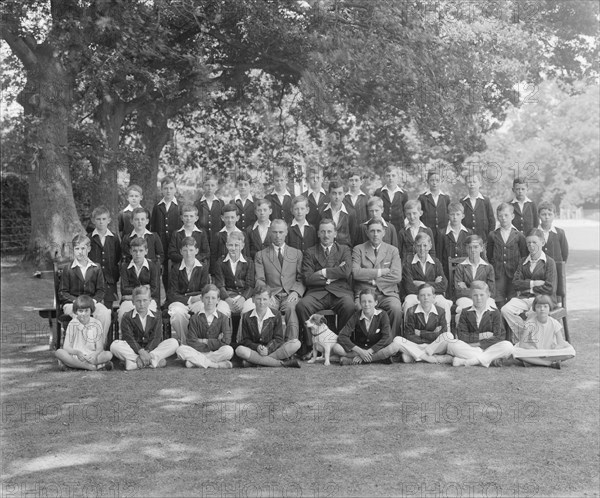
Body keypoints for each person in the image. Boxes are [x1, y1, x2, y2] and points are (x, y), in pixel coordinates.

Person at [295, 219, 356, 359]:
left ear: (335, 234)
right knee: (302, 306)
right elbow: (308, 278)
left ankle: (340, 345)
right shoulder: (310, 252)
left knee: (349, 305)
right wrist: (336, 272)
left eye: (329, 232)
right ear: (318, 234)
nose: (326, 235)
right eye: (323, 231)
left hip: (340, 291)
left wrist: (322, 273)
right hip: (317, 293)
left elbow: (346, 272)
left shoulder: (344, 249)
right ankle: (311, 346)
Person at [501, 229, 557, 342]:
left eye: (534, 242)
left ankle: (531, 341)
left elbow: (549, 288)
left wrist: (526, 285)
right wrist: (534, 283)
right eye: (528, 243)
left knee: (532, 314)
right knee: (505, 309)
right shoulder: (523, 262)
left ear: (542, 242)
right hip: (523, 298)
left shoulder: (549, 262)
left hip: (542, 299)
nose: (531, 245)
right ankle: (527, 338)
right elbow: (516, 283)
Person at [254, 219, 305, 340]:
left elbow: (301, 277)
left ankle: (292, 344)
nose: (278, 236)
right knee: (265, 307)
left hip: (290, 294)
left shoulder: (296, 253)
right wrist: (266, 294)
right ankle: (267, 344)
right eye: (275, 232)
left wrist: (296, 292)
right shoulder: (261, 255)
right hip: (271, 294)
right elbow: (260, 279)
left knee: (291, 308)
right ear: (270, 232)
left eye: (281, 232)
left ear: (286, 232)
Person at [352, 218, 403, 335]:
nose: (375, 234)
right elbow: (356, 273)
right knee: (360, 307)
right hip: (365, 292)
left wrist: (373, 280)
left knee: (395, 308)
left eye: (378, 231)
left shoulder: (393, 250)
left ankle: (392, 342)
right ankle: (365, 343)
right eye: (372, 231)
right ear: (367, 232)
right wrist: (380, 272)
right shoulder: (358, 249)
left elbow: (396, 276)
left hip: (387, 293)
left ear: (384, 232)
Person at [58, 234, 112, 342]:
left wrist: (93, 301)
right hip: (72, 303)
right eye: (77, 249)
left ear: (89, 249)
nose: (80, 252)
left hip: (92, 302)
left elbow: (101, 290)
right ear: (73, 250)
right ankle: (80, 346)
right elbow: (63, 292)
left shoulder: (96, 268)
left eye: (83, 248)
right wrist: (77, 302)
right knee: (80, 314)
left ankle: (99, 344)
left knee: (105, 313)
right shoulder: (68, 269)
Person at [110, 285, 178, 370]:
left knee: (173, 342)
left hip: (152, 349)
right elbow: (129, 338)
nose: (142, 304)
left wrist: (147, 351)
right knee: (114, 345)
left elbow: (156, 337)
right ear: (133, 302)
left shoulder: (156, 316)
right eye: (138, 301)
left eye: (145, 300)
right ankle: (152, 361)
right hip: (134, 349)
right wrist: (140, 351)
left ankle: (136, 363)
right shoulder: (127, 316)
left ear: (150, 301)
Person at [447, 281, 514, 367]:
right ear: (471, 296)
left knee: (508, 346)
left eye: (482, 295)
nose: (479, 298)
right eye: (475, 295)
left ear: (488, 296)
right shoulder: (465, 312)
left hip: (488, 347)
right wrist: (483, 335)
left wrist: (479, 344)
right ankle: (489, 359)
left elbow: (499, 336)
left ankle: (470, 361)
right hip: (471, 348)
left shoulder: (495, 312)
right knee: (452, 345)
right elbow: (462, 336)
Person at [235, 284, 301, 367]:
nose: (261, 302)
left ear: (270, 300)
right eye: (258, 299)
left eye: (265, 299)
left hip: (272, 350)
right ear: (253, 300)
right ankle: (280, 363)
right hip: (254, 351)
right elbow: (245, 340)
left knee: (296, 343)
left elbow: (278, 339)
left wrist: (268, 349)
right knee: (240, 350)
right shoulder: (246, 316)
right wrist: (257, 347)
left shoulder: (276, 314)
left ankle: (254, 362)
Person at [332, 288, 400, 365]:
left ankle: (352, 360)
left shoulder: (382, 315)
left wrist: (369, 351)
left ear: (376, 303)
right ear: (360, 303)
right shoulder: (356, 316)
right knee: (337, 348)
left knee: (395, 347)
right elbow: (342, 336)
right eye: (363, 301)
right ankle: (379, 358)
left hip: (376, 349)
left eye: (370, 301)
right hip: (359, 349)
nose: (366, 304)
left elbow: (387, 337)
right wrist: (360, 352)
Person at [175, 284, 234, 369]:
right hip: (199, 351)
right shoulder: (195, 318)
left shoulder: (223, 318)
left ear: (218, 300)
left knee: (229, 350)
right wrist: (215, 342)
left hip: (215, 352)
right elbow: (191, 341)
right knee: (180, 350)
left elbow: (226, 341)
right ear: (202, 299)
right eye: (207, 298)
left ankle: (196, 362)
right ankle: (215, 365)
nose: (210, 301)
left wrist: (204, 341)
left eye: (213, 298)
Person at [392, 284, 454, 364]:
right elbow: (408, 335)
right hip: (417, 345)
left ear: (434, 297)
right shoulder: (411, 311)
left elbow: (443, 332)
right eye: (422, 295)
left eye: (429, 295)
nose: (426, 298)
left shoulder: (440, 311)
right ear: (418, 298)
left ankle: (417, 356)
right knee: (397, 340)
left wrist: (420, 333)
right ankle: (428, 357)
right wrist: (432, 335)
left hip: (434, 345)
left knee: (449, 335)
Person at [166, 237, 211, 344]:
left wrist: (197, 299)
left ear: (196, 251)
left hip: (198, 300)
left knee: (203, 310)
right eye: (185, 250)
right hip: (180, 301)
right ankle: (185, 341)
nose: (188, 253)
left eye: (191, 250)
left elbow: (205, 290)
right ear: (181, 251)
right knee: (177, 313)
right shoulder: (175, 269)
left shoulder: (203, 268)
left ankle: (200, 341)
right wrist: (190, 299)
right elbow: (172, 293)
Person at [402, 233, 451, 329]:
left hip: (434, 295)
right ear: (414, 247)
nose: (422, 249)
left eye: (424, 245)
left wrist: (423, 284)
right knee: (408, 303)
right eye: (419, 245)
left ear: (430, 246)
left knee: (444, 303)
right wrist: (434, 284)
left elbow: (443, 285)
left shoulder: (435, 262)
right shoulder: (408, 263)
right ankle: (408, 332)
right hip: (415, 295)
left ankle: (446, 333)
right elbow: (409, 287)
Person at [512, 295, 575, 369]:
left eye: (545, 306)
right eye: (539, 307)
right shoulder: (529, 323)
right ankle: (547, 363)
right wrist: (530, 348)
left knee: (571, 352)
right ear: (534, 309)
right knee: (516, 352)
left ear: (549, 308)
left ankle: (534, 361)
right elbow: (522, 344)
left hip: (549, 351)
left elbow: (560, 343)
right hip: (534, 351)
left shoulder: (554, 323)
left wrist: (556, 348)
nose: (542, 309)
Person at [55, 295, 114, 371]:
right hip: (76, 355)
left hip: (91, 356)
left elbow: (99, 347)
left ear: (91, 310)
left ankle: (75, 366)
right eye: (80, 311)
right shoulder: (72, 324)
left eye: (86, 311)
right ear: (76, 311)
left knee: (108, 354)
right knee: (59, 352)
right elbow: (66, 347)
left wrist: (95, 354)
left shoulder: (97, 323)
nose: (83, 314)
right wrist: (77, 352)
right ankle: (90, 367)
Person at [486, 203, 527, 307]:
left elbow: (524, 256)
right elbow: (489, 255)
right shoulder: (493, 235)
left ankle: (510, 323)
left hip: (514, 274)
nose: (503, 218)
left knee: (512, 299)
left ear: (512, 216)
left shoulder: (519, 235)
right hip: (498, 273)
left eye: (506, 215)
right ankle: (500, 322)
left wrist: (520, 273)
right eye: (500, 216)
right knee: (498, 299)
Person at [453, 235, 496, 323]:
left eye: (476, 247)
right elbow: (458, 291)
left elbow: (491, 291)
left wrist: (467, 289)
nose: (473, 250)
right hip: (465, 298)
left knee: (491, 309)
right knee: (467, 311)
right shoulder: (460, 267)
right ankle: (466, 334)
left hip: (484, 298)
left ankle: (487, 334)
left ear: (482, 248)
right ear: (466, 249)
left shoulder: (488, 267)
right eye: (469, 247)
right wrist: (481, 290)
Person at [150, 175, 182, 291]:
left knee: (176, 271)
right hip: (161, 246)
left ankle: (175, 296)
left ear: (175, 189)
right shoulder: (157, 207)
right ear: (161, 190)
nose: (168, 191)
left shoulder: (180, 207)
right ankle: (166, 298)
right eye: (165, 188)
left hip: (176, 246)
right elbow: (153, 228)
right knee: (164, 273)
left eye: (171, 188)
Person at [118, 237, 160, 323]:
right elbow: (124, 289)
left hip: (148, 300)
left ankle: (148, 336)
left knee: (149, 314)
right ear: (130, 251)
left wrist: (132, 295)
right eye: (135, 251)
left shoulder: (153, 266)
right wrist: (144, 288)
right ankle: (125, 335)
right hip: (129, 301)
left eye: (141, 250)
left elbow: (154, 289)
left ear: (146, 251)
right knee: (123, 313)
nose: (138, 254)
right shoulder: (125, 267)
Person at [213, 231, 255, 316]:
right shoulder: (220, 262)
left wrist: (242, 299)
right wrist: (228, 300)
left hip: (244, 296)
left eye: (237, 245)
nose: (233, 248)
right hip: (227, 296)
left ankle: (245, 329)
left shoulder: (249, 262)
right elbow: (220, 285)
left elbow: (250, 285)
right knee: (221, 311)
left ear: (242, 246)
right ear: (226, 245)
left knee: (250, 310)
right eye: (231, 245)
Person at [89, 205, 121, 310]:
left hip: (110, 280)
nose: (101, 222)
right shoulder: (89, 238)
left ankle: (108, 326)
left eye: (104, 219)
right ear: (93, 221)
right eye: (98, 219)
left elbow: (117, 257)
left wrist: (114, 275)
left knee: (108, 308)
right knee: (94, 307)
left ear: (109, 220)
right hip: (93, 280)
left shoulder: (114, 238)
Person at [437, 202, 473, 281]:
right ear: (448, 216)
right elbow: (439, 255)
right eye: (452, 214)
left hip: (465, 271)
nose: (455, 217)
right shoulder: (442, 233)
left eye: (458, 214)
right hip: (446, 272)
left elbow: (471, 253)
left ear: (462, 216)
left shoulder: (468, 233)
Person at [168, 203, 210, 268]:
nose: (188, 219)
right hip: (180, 266)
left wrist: (193, 260)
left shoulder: (201, 233)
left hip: (197, 267)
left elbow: (206, 252)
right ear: (182, 218)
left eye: (191, 216)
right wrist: (185, 260)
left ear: (196, 218)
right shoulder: (176, 233)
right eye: (186, 216)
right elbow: (172, 252)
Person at [319, 179, 357, 247]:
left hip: (344, 251)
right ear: (329, 194)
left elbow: (353, 235)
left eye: (340, 193)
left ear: (344, 194)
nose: (337, 197)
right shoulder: (321, 211)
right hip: (326, 250)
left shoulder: (351, 213)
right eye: (334, 193)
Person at [460, 172, 496, 241]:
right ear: (466, 184)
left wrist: (488, 238)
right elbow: (460, 222)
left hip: (483, 239)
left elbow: (491, 221)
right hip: (467, 239)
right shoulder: (463, 202)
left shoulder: (485, 201)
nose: (472, 184)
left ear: (480, 183)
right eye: (469, 182)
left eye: (474, 182)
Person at [374, 165, 408, 237]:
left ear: (398, 177)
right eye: (388, 176)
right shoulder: (379, 192)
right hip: (382, 226)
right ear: (384, 177)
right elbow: (375, 209)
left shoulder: (403, 194)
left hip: (398, 228)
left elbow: (405, 211)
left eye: (393, 175)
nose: (390, 178)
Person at [210, 203, 244, 273]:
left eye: (232, 217)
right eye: (227, 217)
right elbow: (213, 256)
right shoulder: (217, 235)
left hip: (238, 271)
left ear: (237, 218)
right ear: (222, 218)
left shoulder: (243, 234)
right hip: (221, 271)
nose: (229, 220)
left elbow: (246, 255)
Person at [195, 175, 225, 246]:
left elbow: (223, 221)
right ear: (203, 186)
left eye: (212, 185)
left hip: (217, 239)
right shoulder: (197, 203)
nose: (210, 188)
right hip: (202, 239)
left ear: (216, 187)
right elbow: (195, 222)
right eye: (207, 185)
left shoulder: (221, 203)